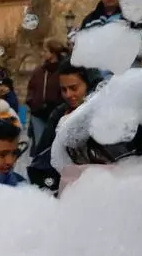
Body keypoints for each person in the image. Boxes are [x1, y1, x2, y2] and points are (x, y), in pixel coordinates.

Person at [27, 61, 102, 192]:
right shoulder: (59, 114)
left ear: (89, 85)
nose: (68, 95)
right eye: (63, 89)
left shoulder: (104, 114)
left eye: (74, 88)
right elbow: (43, 152)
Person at [26, 39, 68, 145]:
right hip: (38, 113)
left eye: (45, 51)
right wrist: (31, 101)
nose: (42, 53)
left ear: (53, 53)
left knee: (55, 144)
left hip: (56, 113)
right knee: (41, 144)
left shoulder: (64, 70)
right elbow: (31, 87)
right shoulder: (39, 71)